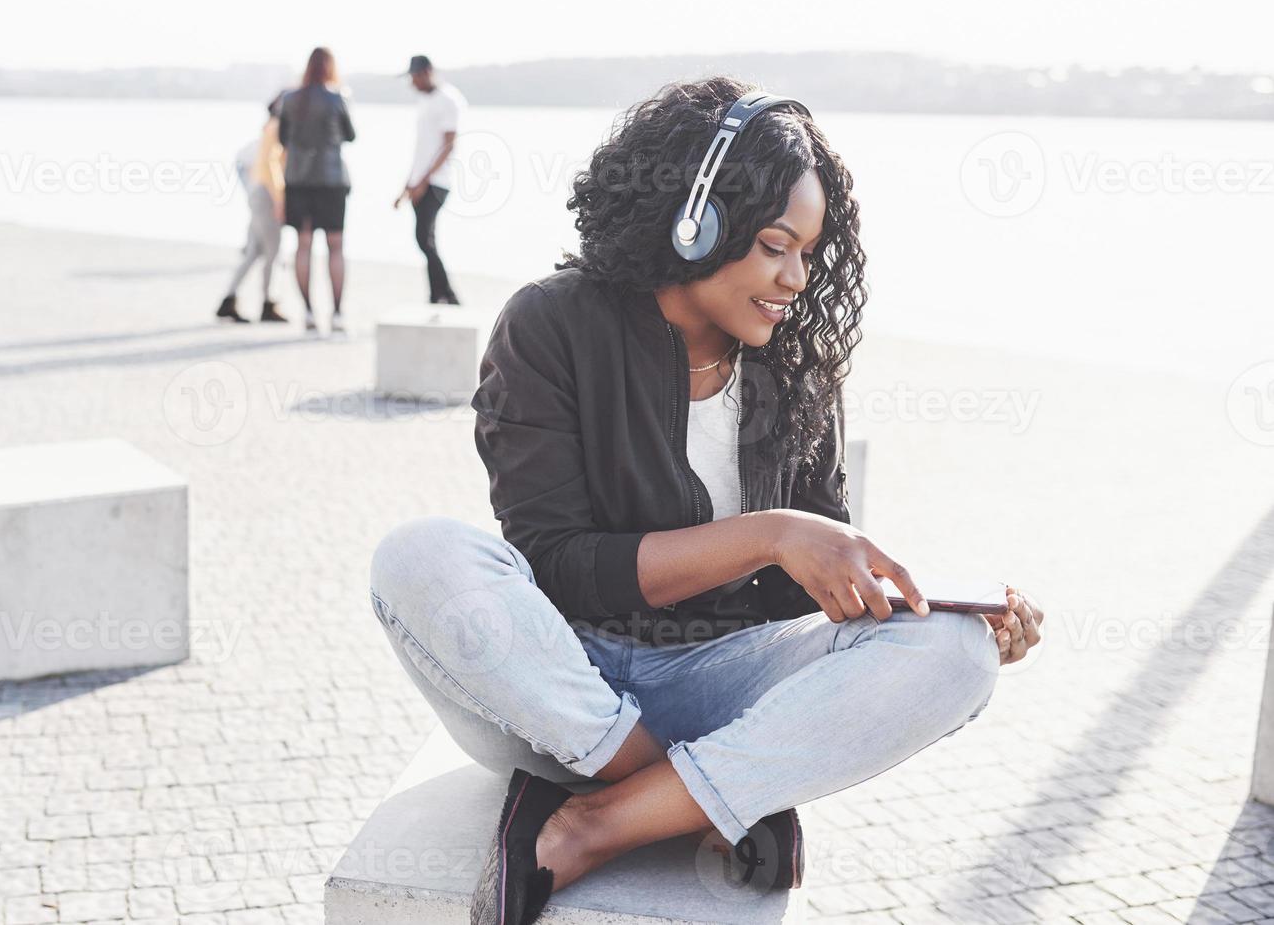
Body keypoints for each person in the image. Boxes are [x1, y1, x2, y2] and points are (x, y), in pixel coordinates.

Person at [368, 78, 1045, 924]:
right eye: (774, 245)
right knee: (419, 555)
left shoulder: (792, 369)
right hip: (554, 687)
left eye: (807, 252)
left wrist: (922, 604)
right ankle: (702, 794)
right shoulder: (550, 324)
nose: (796, 278)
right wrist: (768, 534)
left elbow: (794, 597)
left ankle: (604, 822)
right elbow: (558, 567)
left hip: (716, 682)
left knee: (953, 654)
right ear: (697, 223)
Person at [270, 47, 355, 336]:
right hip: (331, 180)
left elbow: (282, 138)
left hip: (298, 181)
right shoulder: (337, 97)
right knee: (335, 246)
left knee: (303, 246)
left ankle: (306, 311)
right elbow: (351, 135)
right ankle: (338, 313)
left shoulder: (290, 98)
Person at [393, 54, 464, 305]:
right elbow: (421, 150)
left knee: (424, 238)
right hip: (418, 182)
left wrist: (424, 181)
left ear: (427, 72)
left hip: (437, 182)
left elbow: (448, 146)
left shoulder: (448, 99)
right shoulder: (424, 101)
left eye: (415, 76)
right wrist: (406, 186)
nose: (413, 82)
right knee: (425, 240)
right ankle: (438, 294)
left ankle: (447, 295)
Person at [217, 118, 285, 323]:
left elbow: (246, 163)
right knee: (272, 252)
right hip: (267, 196)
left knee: (254, 251)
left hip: (257, 193)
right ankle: (267, 304)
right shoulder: (277, 128)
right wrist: (280, 200)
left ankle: (229, 299)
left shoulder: (269, 130)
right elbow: (269, 166)